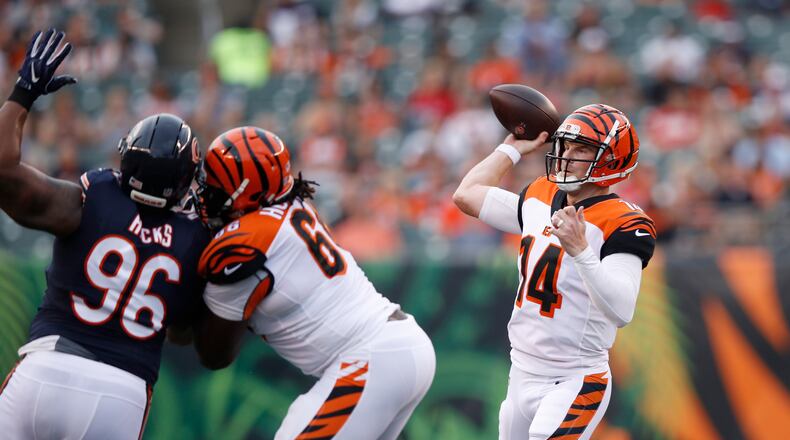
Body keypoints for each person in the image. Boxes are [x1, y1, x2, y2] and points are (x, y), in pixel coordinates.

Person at [0, 29, 210, 439]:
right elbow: (186, 334)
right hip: (121, 390)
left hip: (47, 367)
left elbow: (3, 173)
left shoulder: (91, 197)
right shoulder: (194, 237)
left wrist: (22, 94)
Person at [192, 126, 435, 440]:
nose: (208, 194)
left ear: (245, 192)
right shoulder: (297, 207)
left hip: (370, 357)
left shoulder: (246, 244)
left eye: (218, 187)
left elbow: (214, 354)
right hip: (400, 346)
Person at [453, 103, 656, 439]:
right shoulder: (542, 193)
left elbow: (622, 310)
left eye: (582, 149)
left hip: (575, 377)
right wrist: (510, 150)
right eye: (566, 145)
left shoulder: (622, 222)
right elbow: (466, 195)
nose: (567, 155)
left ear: (611, 159)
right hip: (521, 370)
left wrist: (581, 251)